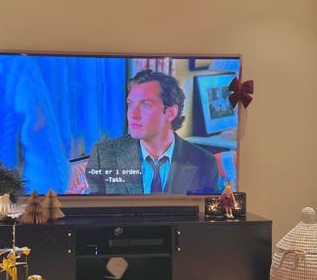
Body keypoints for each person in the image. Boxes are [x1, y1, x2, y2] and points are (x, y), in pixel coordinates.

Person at [84, 69, 219, 195]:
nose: (133, 114)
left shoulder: (205, 162)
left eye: (145, 105)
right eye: (130, 104)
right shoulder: (104, 155)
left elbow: (207, 210)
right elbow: (95, 210)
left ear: (171, 113)